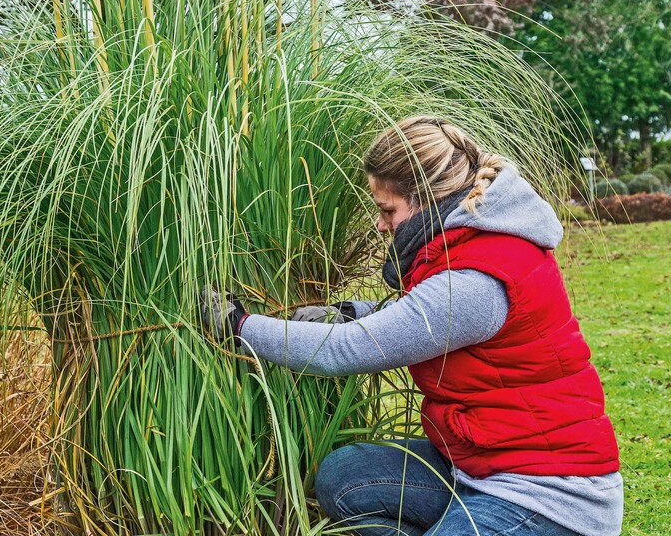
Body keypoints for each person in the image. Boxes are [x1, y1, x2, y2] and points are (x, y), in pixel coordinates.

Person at [200, 115, 623, 536]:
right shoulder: (466, 241)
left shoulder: (477, 280)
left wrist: (239, 325)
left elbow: (345, 351)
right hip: (477, 466)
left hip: (547, 494)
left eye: (388, 210)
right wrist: (349, 311)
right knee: (345, 477)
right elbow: (418, 311)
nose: (382, 225)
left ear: (428, 199)